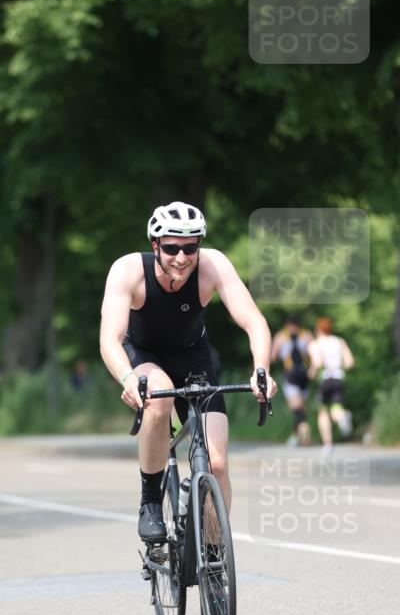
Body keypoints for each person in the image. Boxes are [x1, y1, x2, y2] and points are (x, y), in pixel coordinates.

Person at [99, 201, 277, 542]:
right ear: (155, 245)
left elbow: (254, 322)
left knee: (219, 463)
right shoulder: (128, 270)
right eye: (171, 248)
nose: (182, 257)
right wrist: (128, 378)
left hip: (194, 357)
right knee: (159, 396)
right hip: (144, 355)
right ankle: (150, 502)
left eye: (190, 247)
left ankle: (212, 553)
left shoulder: (213, 265)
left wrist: (261, 370)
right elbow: (110, 338)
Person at [307, 317, 354, 454]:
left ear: (318, 330)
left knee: (323, 411)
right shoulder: (339, 341)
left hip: (325, 379)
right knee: (336, 407)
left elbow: (318, 362)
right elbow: (350, 362)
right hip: (339, 378)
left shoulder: (315, 344)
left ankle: (328, 444)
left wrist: (311, 372)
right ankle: (343, 416)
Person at [270, 316, 313, 446]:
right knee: (296, 407)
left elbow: (314, 353)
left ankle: (298, 435)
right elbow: (273, 356)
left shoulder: (306, 336)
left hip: (304, 375)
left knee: (301, 408)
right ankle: (300, 435)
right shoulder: (281, 337)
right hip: (290, 375)